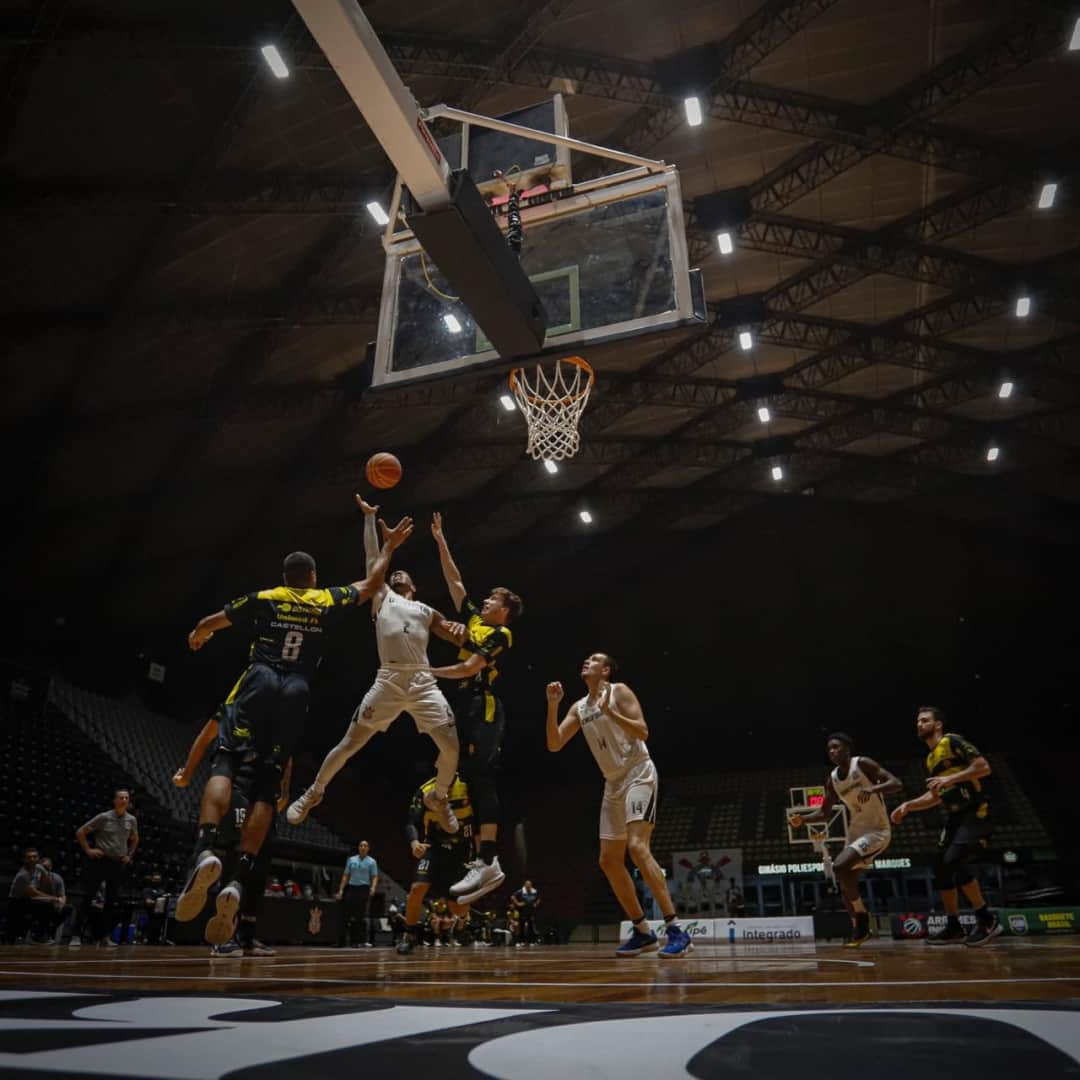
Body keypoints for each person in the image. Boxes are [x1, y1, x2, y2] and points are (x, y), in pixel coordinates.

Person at [178, 503, 412, 948]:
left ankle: (205, 849)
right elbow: (372, 583)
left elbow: (216, 620)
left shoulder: (266, 597)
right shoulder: (324, 600)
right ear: (313, 577)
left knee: (224, 764)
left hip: (260, 680)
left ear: (286, 577)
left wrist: (199, 633)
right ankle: (239, 875)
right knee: (268, 786)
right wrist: (390, 546)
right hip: (296, 691)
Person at [287, 499, 466, 832]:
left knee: (451, 749)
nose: (397, 572)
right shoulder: (382, 595)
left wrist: (462, 631)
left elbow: (456, 636)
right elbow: (374, 559)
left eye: (403, 574)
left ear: (414, 586)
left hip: (423, 684)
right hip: (388, 681)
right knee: (350, 743)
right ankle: (314, 792)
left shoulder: (427, 611)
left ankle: (439, 797)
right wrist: (369, 519)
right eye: (394, 571)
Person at [545, 653, 693, 959]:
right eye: (585, 659)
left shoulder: (620, 691)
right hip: (612, 783)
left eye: (594, 660)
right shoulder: (579, 707)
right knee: (609, 861)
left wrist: (610, 713)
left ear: (606, 670)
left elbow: (643, 731)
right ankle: (642, 932)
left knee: (638, 848)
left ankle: (676, 929)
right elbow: (554, 743)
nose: (586, 662)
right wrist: (553, 705)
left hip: (639, 772)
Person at [428, 511, 523, 905]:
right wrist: (440, 540)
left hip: (483, 706)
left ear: (504, 610)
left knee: (483, 778)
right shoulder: (474, 621)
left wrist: (426, 670)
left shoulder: (501, 633)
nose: (484, 600)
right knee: (468, 777)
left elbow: (470, 667)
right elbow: (454, 581)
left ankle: (489, 860)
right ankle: (481, 861)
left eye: (492, 600)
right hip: (463, 702)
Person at [173, 707, 291, 956]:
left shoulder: (284, 711)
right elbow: (208, 734)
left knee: (260, 864)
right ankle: (223, 938)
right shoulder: (239, 704)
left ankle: (246, 935)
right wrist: (187, 770)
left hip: (263, 797)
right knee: (234, 856)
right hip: (238, 790)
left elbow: (288, 758)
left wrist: (285, 790)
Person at [891, 706, 1002, 946]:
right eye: (918, 721)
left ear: (937, 724)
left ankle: (987, 919)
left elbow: (983, 767)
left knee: (954, 860)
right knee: (940, 867)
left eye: (924, 720)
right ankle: (954, 926)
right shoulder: (931, 758)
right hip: (955, 816)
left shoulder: (952, 741)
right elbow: (936, 796)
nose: (919, 724)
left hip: (976, 809)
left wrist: (949, 778)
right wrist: (909, 805)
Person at [789, 732, 902, 947]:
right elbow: (824, 813)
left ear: (847, 749)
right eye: (829, 749)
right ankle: (861, 929)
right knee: (845, 879)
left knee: (839, 866)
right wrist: (802, 820)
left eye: (836, 747)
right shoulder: (832, 780)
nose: (832, 751)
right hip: (855, 833)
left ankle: (861, 918)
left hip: (877, 831)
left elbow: (896, 783)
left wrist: (873, 788)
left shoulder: (862, 764)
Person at [397, 772, 475, 955]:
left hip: (461, 851)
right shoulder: (425, 790)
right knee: (417, 888)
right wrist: (414, 842)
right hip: (433, 847)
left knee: (457, 905)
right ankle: (409, 935)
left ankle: (463, 921)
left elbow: (481, 819)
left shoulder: (468, 786)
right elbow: (411, 822)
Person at [71, 790, 138, 948]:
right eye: (121, 797)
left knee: (111, 901)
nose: (124, 800)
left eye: (126, 798)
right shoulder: (104, 817)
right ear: (114, 800)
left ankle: (104, 937)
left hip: (118, 863)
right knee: (88, 898)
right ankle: (75, 935)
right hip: (100, 861)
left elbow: (135, 839)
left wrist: (130, 855)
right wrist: (88, 850)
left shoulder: (132, 820)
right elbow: (80, 832)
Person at [336, 841, 379, 948]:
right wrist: (341, 890)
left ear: (368, 848)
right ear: (358, 848)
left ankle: (357, 942)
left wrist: (373, 887)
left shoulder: (372, 862)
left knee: (359, 917)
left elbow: (374, 876)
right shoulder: (351, 860)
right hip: (351, 888)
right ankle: (341, 942)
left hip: (363, 889)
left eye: (365, 846)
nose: (363, 847)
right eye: (361, 845)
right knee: (344, 915)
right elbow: (346, 876)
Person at [510, 880, 540, 946]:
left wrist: (536, 904)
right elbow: (512, 897)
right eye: (527, 885)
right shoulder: (520, 891)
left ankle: (531, 941)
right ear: (525, 885)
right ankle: (521, 941)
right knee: (522, 926)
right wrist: (517, 903)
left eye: (529, 885)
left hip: (531, 911)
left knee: (531, 926)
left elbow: (538, 898)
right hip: (523, 911)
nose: (528, 886)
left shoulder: (534, 891)